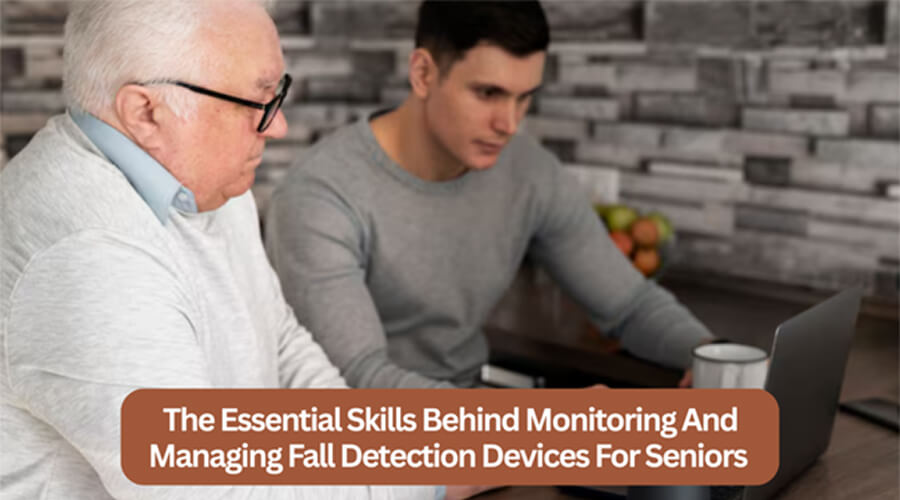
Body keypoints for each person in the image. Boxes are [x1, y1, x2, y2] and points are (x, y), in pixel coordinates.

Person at [0, 1, 473, 498]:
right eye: (258, 99)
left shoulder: (207, 182)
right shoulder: (86, 256)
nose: (278, 126)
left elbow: (279, 344)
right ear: (145, 112)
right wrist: (432, 477)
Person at [265, 0, 714, 390]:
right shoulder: (321, 194)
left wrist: (716, 358)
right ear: (423, 73)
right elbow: (357, 378)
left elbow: (629, 304)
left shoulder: (528, 171)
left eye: (523, 99)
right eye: (488, 94)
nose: (509, 123)